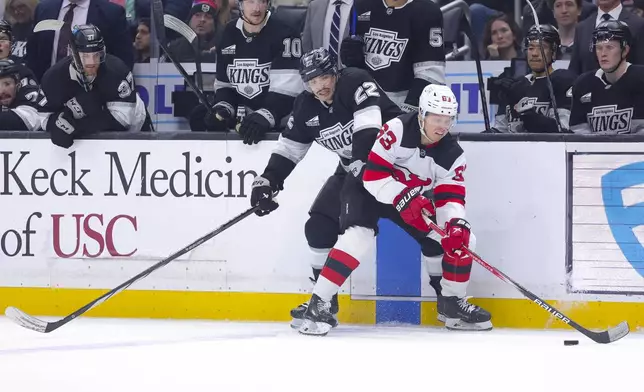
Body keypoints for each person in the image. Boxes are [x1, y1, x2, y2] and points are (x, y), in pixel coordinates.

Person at [290, 83, 491, 336]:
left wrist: (454, 224)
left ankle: (451, 303)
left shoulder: (452, 154)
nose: (442, 126)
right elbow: (373, 175)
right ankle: (319, 304)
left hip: (409, 200)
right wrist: (402, 196)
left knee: (462, 239)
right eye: (436, 118)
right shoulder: (396, 129)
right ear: (422, 114)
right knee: (358, 236)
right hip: (366, 189)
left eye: (448, 119)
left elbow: (451, 199)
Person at [250, 48, 402, 328]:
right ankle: (325, 300)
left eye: (323, 76)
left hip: (399, 168)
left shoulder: (356, 81)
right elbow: (290, 149)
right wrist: (267, 180)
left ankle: (451, 301)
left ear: (336, 71)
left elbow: (368, 129)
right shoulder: (305, 106)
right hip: (355, 171)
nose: (319, 85)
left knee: (429, 233)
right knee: (319, 226)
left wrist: (359, 165)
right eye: (312, 80)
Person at [190, 0, 303, 143]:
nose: (257, 8)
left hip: (281, 129)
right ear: (240, 4)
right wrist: (222, 110)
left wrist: (265, 116)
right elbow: (225, 86)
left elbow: (287, 90)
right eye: (251, 1)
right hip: (244, 128)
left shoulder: (286, 34)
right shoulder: (228, 33)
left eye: (262, 1)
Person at [40, 24, 147, 148]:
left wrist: (78, 126)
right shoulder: (53, 78)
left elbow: (123, 120)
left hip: (136, 130)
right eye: (85, 56)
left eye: (96, 55)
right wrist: (58, 123)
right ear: (72, 54)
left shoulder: (117, 71)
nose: (91, 62)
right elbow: (42, 117)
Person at [340, 0, 446, 111]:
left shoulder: (427, 11)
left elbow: (431, 72)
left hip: (400, 109)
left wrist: (406, 113)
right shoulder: (361, 5)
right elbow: (351, 63)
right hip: (364, 105)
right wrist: (350, 62)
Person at [492, 24, 576, 133]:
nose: (535, 54)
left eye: (542, 47)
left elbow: (561, 130)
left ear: (554, 52)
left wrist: (523, 108)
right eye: (531, 48)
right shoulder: (515, 85)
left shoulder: (562, 81)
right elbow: (500, 131)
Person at [27, 0, 134, 82]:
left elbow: (123, 59)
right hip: (47, 93)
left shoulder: (112, 13)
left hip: (93, 95)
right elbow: (33, 53)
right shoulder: (43, 9)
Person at [570, 20, 644, 134]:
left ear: (625, 50)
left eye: (609, 47)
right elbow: (578, 134)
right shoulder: (583, 84)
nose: (603, 53)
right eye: (599, 48)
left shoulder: (640, 79)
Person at [568, 0, 644, 75]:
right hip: (588, 86)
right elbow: (574, 70)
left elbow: (640, 68)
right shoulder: (582, 27)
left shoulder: (638, 25)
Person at [0, 59, 43, 130]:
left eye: (7, 84)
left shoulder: (29, 92)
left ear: (18, 85)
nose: (1, 91)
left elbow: (22, 121)